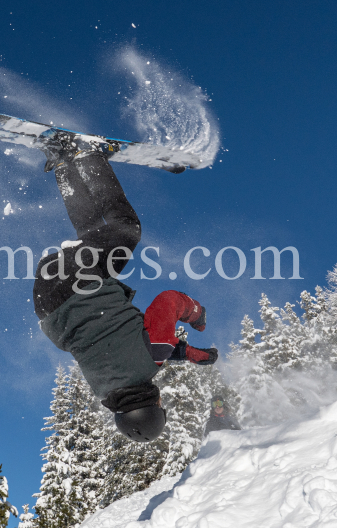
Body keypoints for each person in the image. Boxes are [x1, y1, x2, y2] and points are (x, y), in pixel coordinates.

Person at [33, 143, 218, 443]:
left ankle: (89, 157)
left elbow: (168, 302)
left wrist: (196, 314)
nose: (161, 400)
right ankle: (64, 164)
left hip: (77, 282)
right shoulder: (104, 387)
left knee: (127, 228)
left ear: (153, 406)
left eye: (160, 405)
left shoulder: (152, 358)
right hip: (48, 298)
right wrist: (183, 353)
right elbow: (124, 354)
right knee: (92, 236)